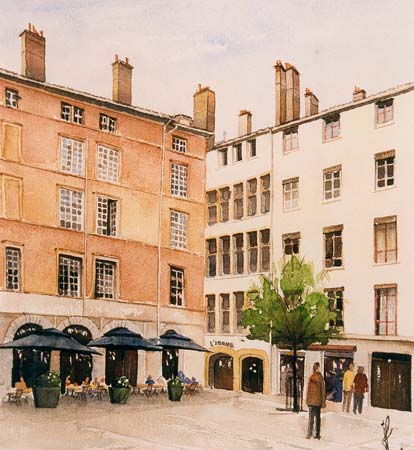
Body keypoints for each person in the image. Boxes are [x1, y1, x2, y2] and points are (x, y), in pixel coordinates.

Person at [306, 362, 326, 440]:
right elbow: (323, 390)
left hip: (311, 401)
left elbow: (308, 391)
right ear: (318, 368)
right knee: (318, 418)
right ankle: (317, 434)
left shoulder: (311, 377)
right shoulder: (320, 378)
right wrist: (323, 402)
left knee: (311, 418)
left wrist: (308, 400)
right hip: (318, 401)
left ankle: (309, 434)